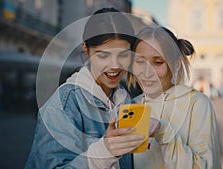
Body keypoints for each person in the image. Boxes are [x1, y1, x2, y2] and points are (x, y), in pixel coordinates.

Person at [25, 8, 145, 169]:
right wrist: (104, 152)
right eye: (103, 55)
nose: (115, 65)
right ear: (86, 49)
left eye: (123, 55)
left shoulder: (125, 99)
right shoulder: (64, 104)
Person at [128, 26, 221, 169]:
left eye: (158, 62)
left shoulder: (196, 104)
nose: (147, 72)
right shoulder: (131, 106)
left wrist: (163, 132)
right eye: (140, 62)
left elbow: (205, 165)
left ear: (176, 64)